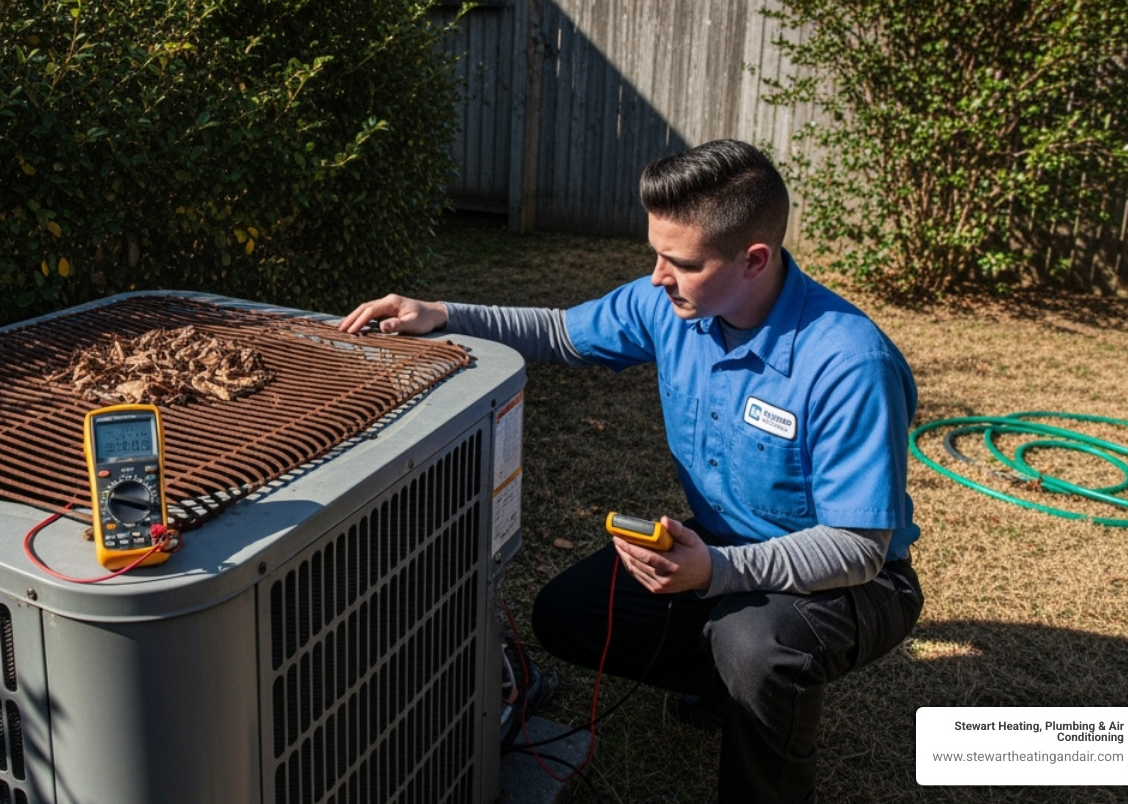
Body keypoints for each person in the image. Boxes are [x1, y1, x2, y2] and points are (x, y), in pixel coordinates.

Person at [338, 139, 922, 804]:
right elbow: (561, 333)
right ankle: (723, 683)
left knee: (755, 642)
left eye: (680, 262)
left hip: (856, 582)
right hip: (723, 548)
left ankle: (762, 742)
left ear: (754, 260)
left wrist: (720, 574)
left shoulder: (848, 363)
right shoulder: (673, 308)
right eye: (655, 253)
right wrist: (443, 315)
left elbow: (856, 547)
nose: (656, 277)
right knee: (566, 615)